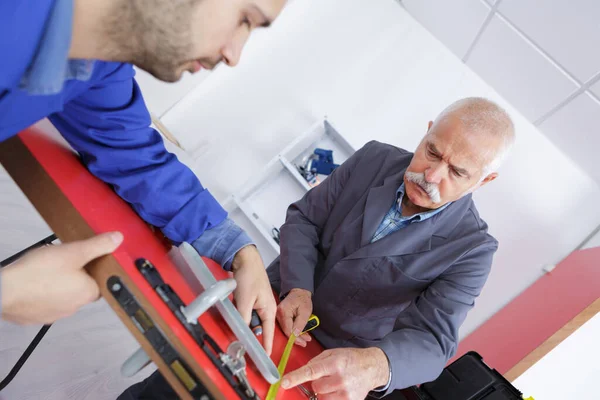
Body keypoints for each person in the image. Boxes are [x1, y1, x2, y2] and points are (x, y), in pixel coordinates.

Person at [0, 0, 286, 358]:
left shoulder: (99, 60)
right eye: (244, 19)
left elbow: (132, 154)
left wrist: (241, 252)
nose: (233, 55)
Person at [268, 97, 516, 398]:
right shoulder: (374, 158)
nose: (432, 176)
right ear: (426, 133)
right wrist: (297, 288)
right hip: (276, 303)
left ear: (484, 180)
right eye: (432, 152)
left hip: (336, 365)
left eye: (457, 173)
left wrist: (374, 366)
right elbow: (305, 219)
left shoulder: (473, 250)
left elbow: (433, 341)